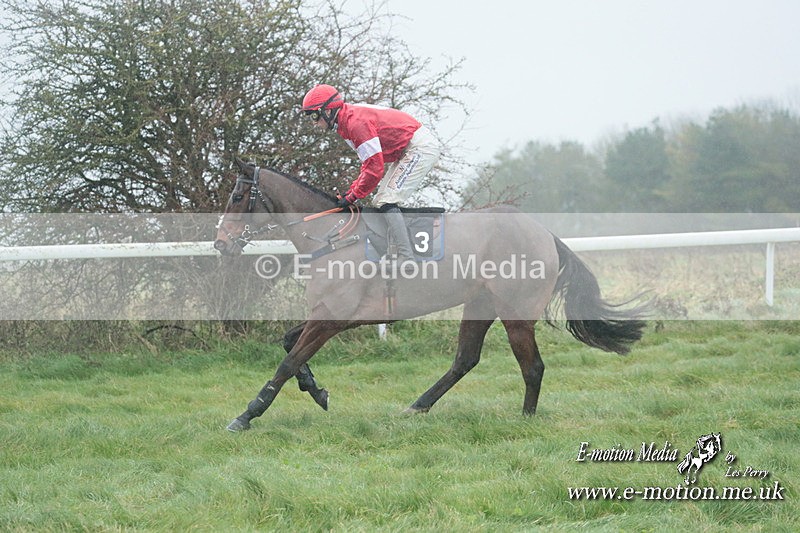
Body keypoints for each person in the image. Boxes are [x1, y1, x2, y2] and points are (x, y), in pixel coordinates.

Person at [301, 84, 441, 262]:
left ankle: (406, 257)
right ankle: (398, 249)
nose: (314, 123)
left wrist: (352, 197)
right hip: (408, 148)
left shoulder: (355, 124)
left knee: (386, 200)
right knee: (381, 200)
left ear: (328, 111)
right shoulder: (345, 122)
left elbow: (375, 168)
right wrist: (351, 192)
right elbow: (368, 165)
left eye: (314, 116)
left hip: (419, 148)